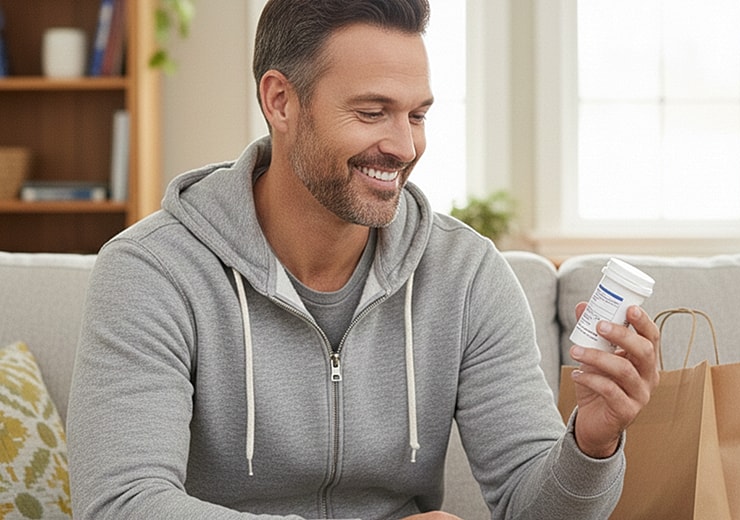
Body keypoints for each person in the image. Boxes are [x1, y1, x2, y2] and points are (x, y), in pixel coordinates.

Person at [66, 0, 660, 518]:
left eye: (418, 115)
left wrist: (592, 441)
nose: (404, 147)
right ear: (280, 101)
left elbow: (534, 512)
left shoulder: (466, 274)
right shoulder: (153, 271)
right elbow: (123, 504)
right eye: (372, 112)